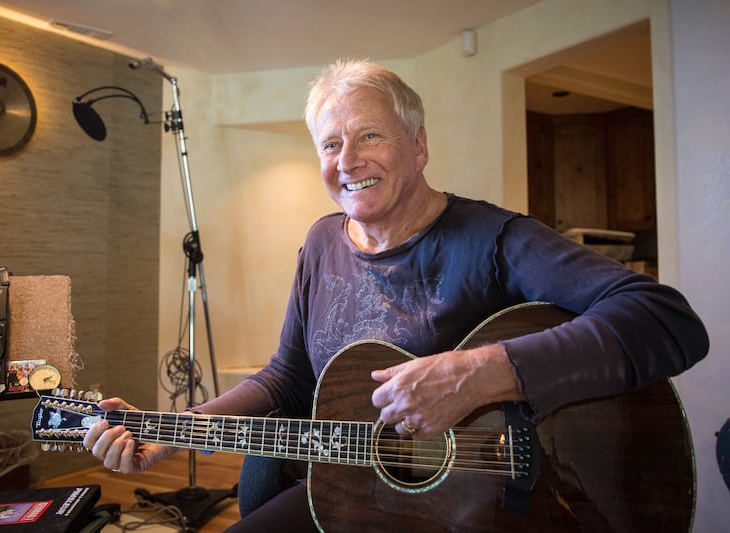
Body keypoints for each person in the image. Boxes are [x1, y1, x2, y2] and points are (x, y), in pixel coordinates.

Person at [84, 59, 709, 531]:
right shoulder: (322, 244)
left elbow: (666, 319)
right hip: (359, 490)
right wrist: (180, 429)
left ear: (419, 145)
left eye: (369, 137)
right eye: (331, 144)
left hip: (498, 505)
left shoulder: (494, 239)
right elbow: (287, 377)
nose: (348, 160)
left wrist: (486, 373)